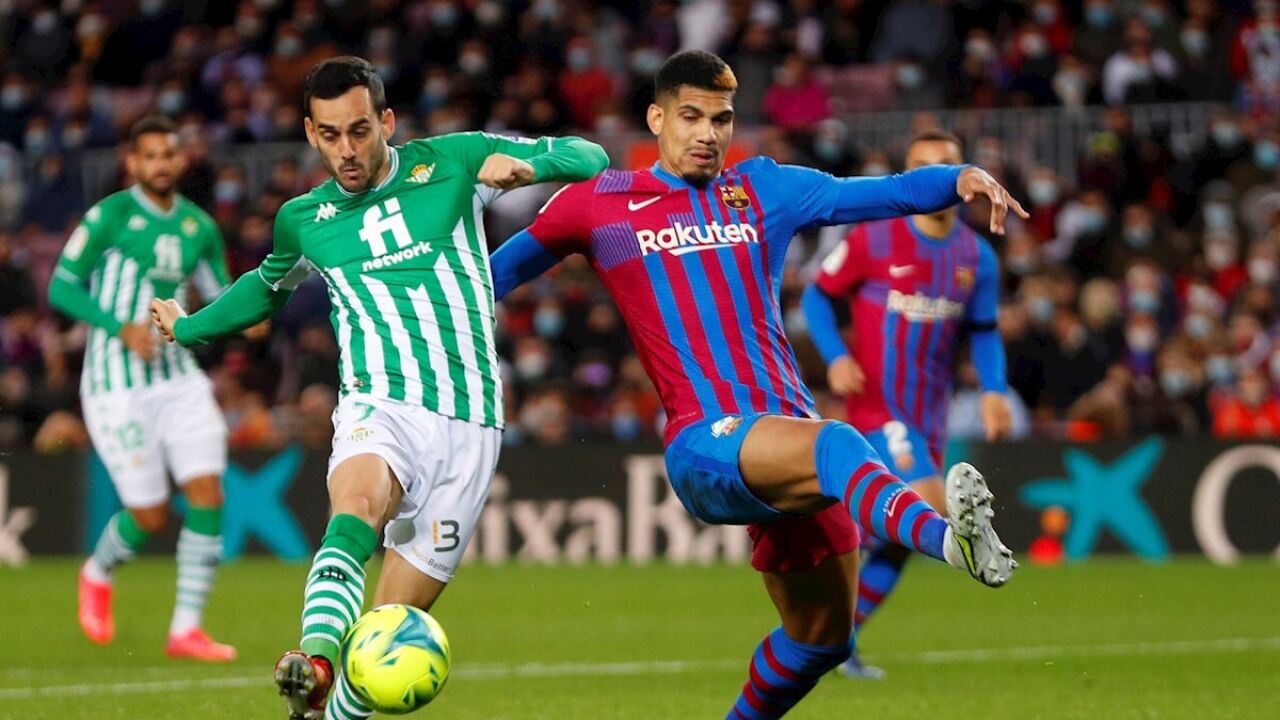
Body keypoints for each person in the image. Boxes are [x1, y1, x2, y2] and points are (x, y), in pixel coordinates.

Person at [489, 51, 1022, 720]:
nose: (708, 133)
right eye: (691, 116)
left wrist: (959, 178)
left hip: (784, 443)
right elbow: (488, 279)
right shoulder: (600, 204)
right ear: (656, 119)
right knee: (837, 443)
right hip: (705, 442)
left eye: (721, 119)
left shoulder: (763, 189)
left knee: (821, 639)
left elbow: (876, 193)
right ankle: (951, 542)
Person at [149, 57, 608, 720]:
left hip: (471, 424)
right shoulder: (304, 218)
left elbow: (590, 156)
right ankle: (313, 661)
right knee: (356, 507)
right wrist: (191, 327)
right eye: (331, 134)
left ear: (387, 122)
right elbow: (266, 287)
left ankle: (325, 706)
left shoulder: (453, 161)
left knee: (383, 641)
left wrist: (527, 168)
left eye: (359, 131)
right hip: (379, 402)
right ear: (311, 133)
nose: (347, 149)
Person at [799, 129, 1013, 679]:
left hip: (930, 415)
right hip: (878, 408)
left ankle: (836, 642)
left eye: (944, 165)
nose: (933, 175)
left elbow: (984, 331)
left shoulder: (976, 257)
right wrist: (835, 356)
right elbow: (817, 297)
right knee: (927, 502)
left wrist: (994, 388)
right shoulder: (873, 238)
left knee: (895, 541)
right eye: (921, 165)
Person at [48, 116, 236, 662]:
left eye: (168, 154)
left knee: (207, 492)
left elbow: (219, 292)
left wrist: (247, 317)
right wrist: (120, 327)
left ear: (181, 159)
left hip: (179, 378)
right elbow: (62, 286)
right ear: (132, 162)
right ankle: (97, 571)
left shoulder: (199, 226)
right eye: (149, 155)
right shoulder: (109, 216)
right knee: (149, 515)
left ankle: (186, 630)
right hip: (116, 384)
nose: (160, 164)